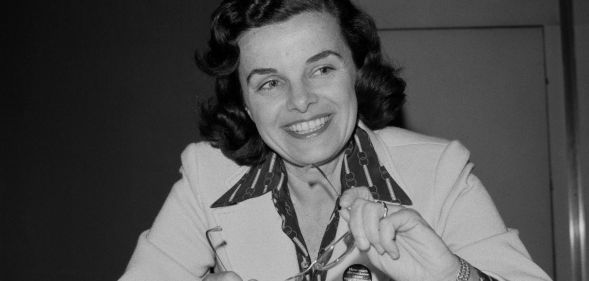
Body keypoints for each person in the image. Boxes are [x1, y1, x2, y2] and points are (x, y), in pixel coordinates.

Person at [119, 0, 553, 280]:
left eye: (322, 69)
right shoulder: (206, 175)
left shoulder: (439, 170)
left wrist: (453, 276)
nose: (301, 101)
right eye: (270, 83)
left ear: (356, 72)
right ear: (246, 103)